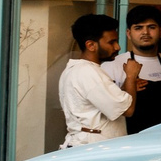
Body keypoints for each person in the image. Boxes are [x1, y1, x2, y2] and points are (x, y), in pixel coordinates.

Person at [105, 5, 161, 133]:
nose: (145, 32)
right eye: (138, 28)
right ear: (129, 34)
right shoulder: (113, 65)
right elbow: (108, 111)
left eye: (151, 27)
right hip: (130, 145)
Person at [59, 14, 139, 149]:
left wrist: (126, 86)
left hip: (87, 145)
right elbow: (128, 110)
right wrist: (131, 76)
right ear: (91, 45)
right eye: (111, 42)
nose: (117, 47)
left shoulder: (77, 69)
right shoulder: (88, 72)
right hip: (93, 148)